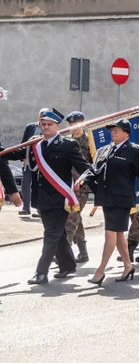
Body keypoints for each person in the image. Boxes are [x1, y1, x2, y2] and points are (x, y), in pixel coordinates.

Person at [86, 119, 139, 285]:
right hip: (107, 198)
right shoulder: (105, 150)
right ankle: (128, 266)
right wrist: (82, 179)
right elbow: (94, 169)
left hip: (122, 198)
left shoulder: (134, 151)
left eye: (116, 130)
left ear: (126, 133)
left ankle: (100, 271)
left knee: (110, 234)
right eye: (111, 130)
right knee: (119, 234)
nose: (112, 132)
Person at [26, 108, 90, 285]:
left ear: (57, 126)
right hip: (41, 199)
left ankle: (41, 272)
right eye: (43, 124)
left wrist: (97, 185)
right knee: (58, 234)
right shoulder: (36, 145)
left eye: (49, 125)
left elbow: (84, 166)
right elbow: (15, 153)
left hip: (59, 199)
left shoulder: (67, 145)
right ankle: (68, 265)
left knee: (51, 235)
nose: (45, 127)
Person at [63, 112, 93, 264]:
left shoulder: (89, 141)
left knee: (71, 218)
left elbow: (94, 164)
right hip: (67, 185)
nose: (73, 128)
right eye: (70, 125)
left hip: (82, 186)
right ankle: (83, 251)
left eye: (76, 124)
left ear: (83, 123)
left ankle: (64, 251)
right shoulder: (66, 141)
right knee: (76, 218)